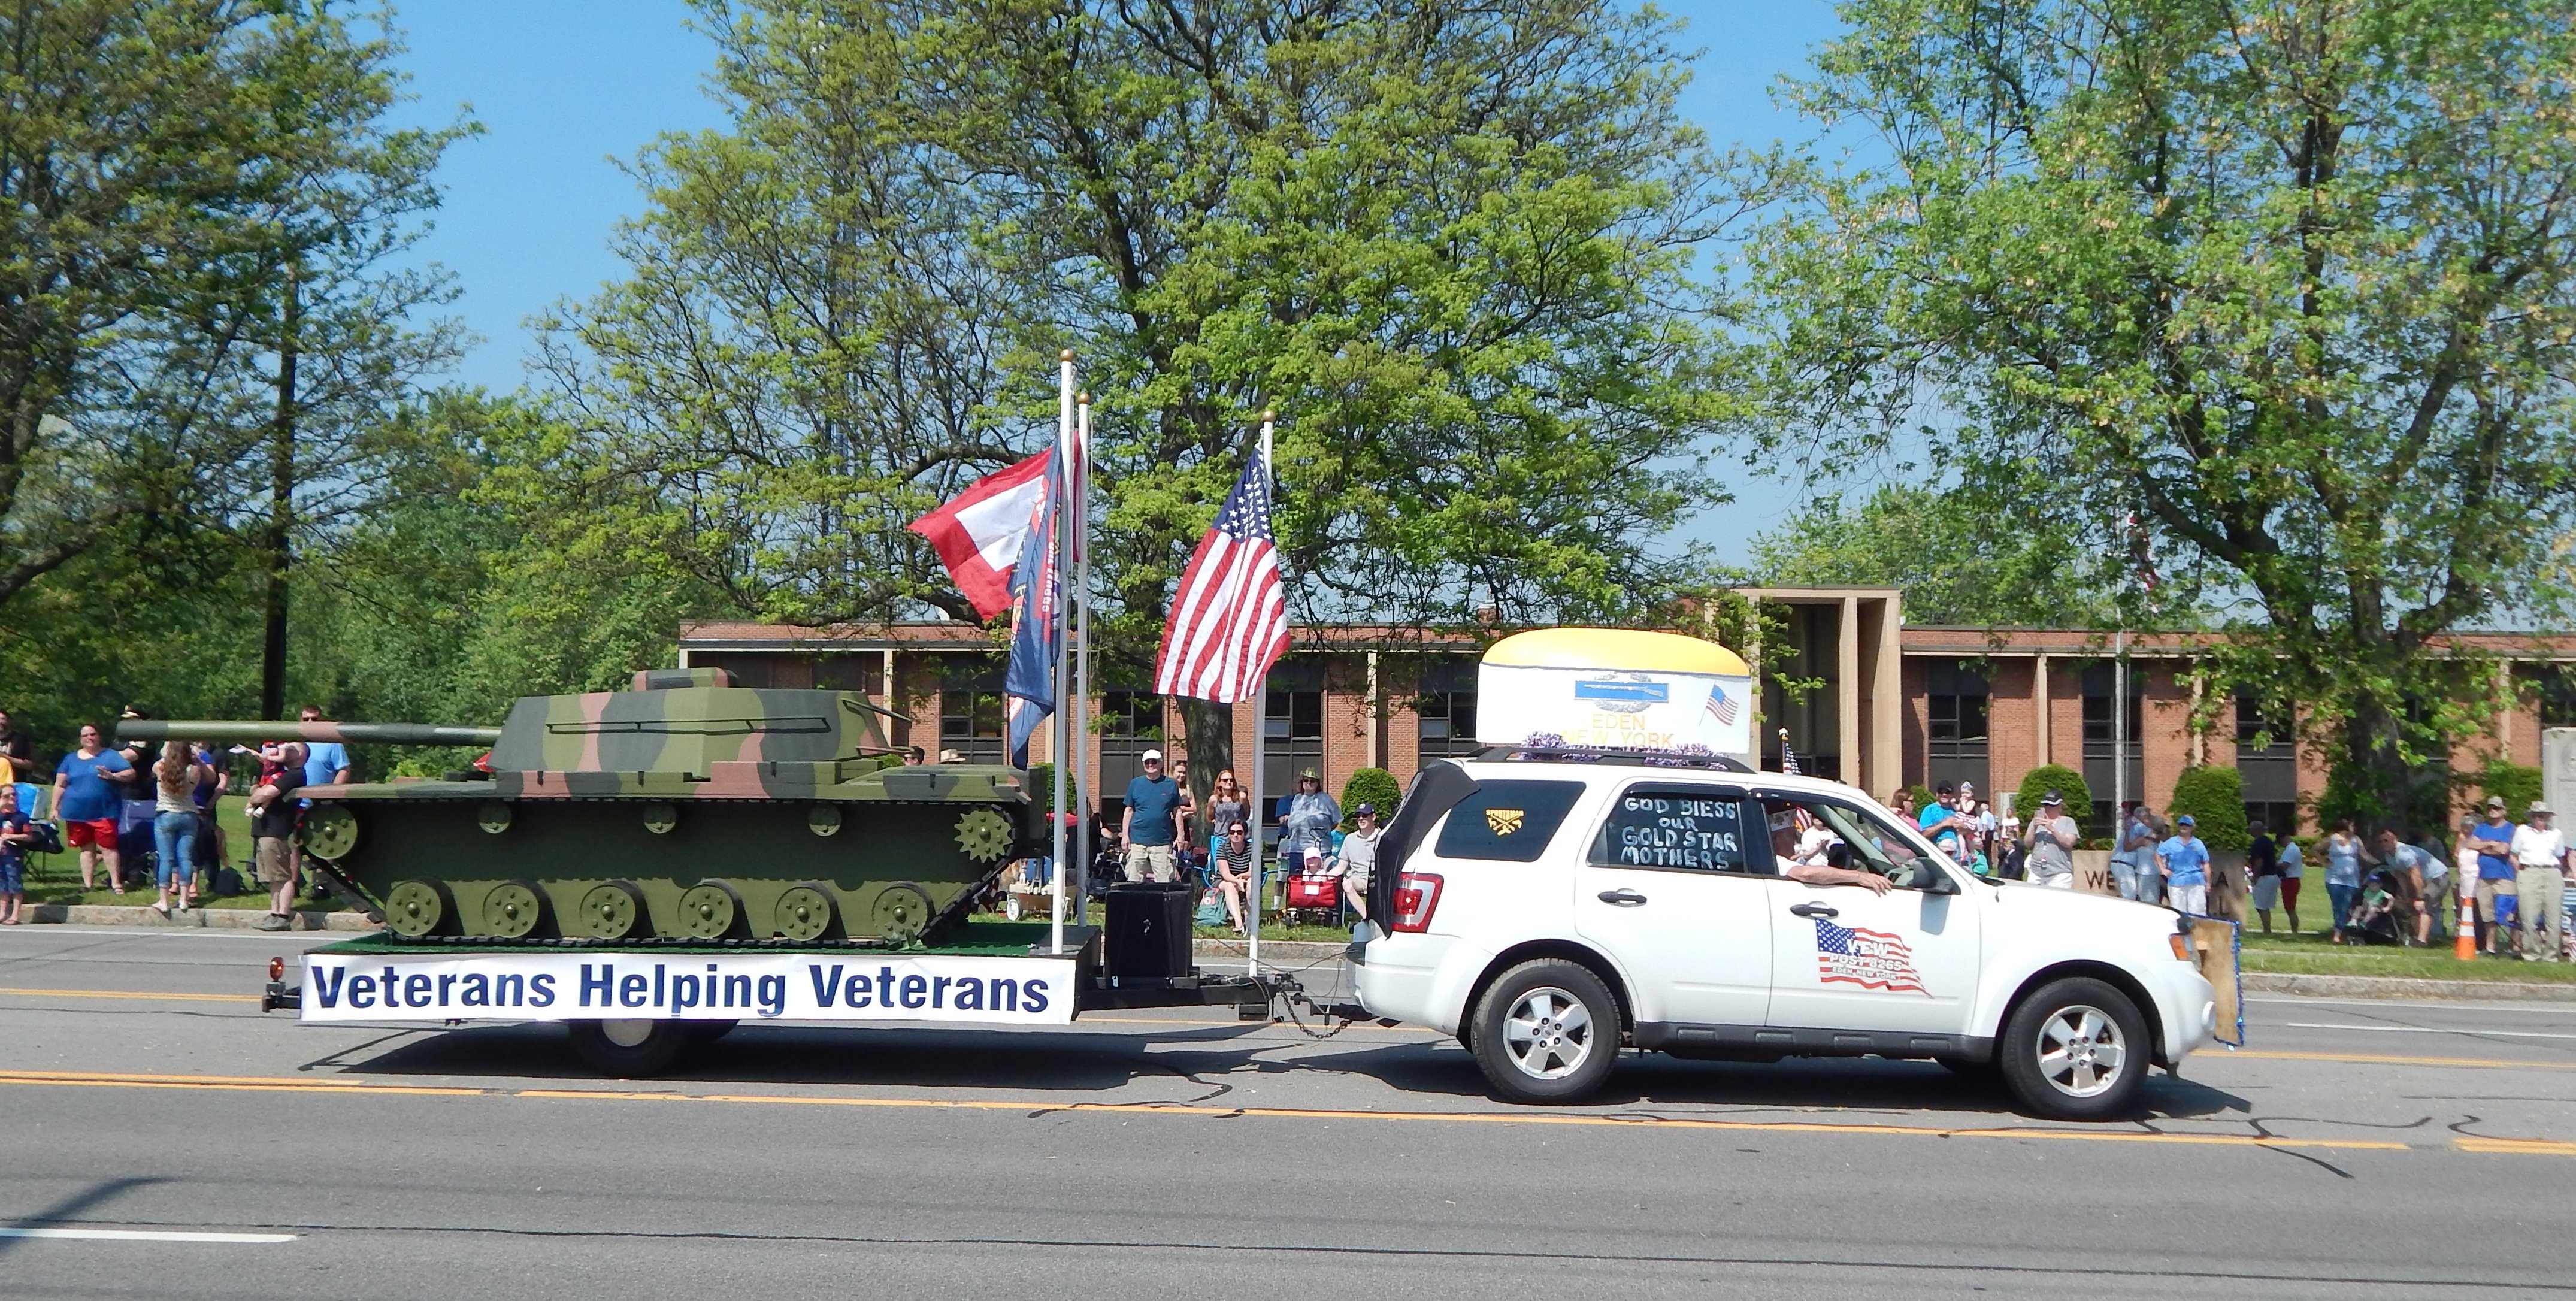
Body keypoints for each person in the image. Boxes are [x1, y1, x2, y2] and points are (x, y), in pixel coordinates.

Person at [52, 724, 135, 894]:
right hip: (77, 813)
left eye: (93, 734)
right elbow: (60, 785)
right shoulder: (70, 759)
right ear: (80, 739)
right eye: (86, 736)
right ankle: (88, 884)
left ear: (99, 736)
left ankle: (116, 884)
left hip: (105, 811)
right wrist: (54, 808)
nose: (90, 738)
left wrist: (113, 776)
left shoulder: (110, 755)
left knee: (108, 848)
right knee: (86, 849)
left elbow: (130, 773)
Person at [245, 743, 307, 931]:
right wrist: (257, 792)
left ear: (301, 754)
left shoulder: (294, 775)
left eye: (292, 748)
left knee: (283, 875)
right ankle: (274, 913)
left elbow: (265, 793)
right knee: (273, 877)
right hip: (265, 830)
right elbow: (258, 790)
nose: (285, 750)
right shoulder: (282, 773)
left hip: (276, 831)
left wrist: (256, 796)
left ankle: (283, 916)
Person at [148, 740, 211, 917]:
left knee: (166, 859)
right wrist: (196, 757)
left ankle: (164, 900)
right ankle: (184, 899)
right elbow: (207, 777)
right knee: (186, 858)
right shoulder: (194, 770)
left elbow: (160, 762)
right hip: (188, 815)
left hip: (165, 814)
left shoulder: (160, 767)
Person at [1765, 809, 1892, 894]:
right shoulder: (1775, 860)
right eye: (1792, 834)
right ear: (1776, 838)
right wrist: (1860, 876)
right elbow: (1805, 874)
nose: (1795, 839)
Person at [2511, 803, 2568, 962]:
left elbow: (2560, 856)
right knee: (2529, 917)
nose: (2539, 818)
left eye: (2542, 815)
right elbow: (2513, 855)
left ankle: (2551, 955)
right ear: (2531, 817)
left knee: (2554, 919)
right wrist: (2521, 872)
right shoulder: (2522, 831)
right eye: (2535, 815)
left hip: (2552, 872)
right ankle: (2531, 953)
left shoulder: (2556, 833)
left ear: (2548, 817)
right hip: (2529, 871)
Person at [1118, 748, 1182, 882]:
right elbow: (1128, 810)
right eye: (1147, 762)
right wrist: (1125, 835)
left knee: (1164, 881)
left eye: (1154, 762)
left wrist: (1181, 835)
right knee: (1134, 880)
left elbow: (1177, 812)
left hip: (1162, 842)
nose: (1151, 765)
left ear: (1161, 764)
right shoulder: (1135, 784)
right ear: (1143, 764)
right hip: (1137, 841)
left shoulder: (1171, 784)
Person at [2470, 798, 2518, 955]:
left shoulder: (2511, 829)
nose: (2493, 811)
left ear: (2504, 811)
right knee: (2487, 914)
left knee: (2510, 914)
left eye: (2496, 808)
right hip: (2484, 877)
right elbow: (2471, 845)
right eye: (2490, 808)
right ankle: (2490, 947)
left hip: (2505, 876)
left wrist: (2483, 847)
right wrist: (2491, 843)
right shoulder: (2482, 828)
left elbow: (2504, 850)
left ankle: (2515, 947)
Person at [2373, 827, 2429, 946]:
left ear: (2395, 840)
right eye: (2380, 842)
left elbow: (2416, 873)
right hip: (2418, 880)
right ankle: (2414, 937)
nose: (2383, 844)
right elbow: (2400, 875)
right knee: (2410, 908)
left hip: (2435, 878)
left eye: (2386, 840)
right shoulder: (2389, 856)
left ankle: (2422, 941)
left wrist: (2420, 897)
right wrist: (2407, 894)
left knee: (2424, 907)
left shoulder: (2403, 854)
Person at [1277, 769, 1342, 871]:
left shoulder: (1326, 799)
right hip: (1297, 848)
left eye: (1312, 781)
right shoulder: (1298, 799)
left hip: (1319, 849)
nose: (1309, 783)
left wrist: (1323, 831)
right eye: (1306, 780)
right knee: (1296, 878)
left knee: (1319, 877)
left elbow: (1336, 820)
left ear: (1317, 783)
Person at [1333, 803, 1381, 921]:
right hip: (1358, 880)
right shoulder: (1350, 839)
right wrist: (1322, 877)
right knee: (1347, 884)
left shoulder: (1383, 838)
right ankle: (1368, 918)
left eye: (1364, 816)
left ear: (1373, 817)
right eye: (1358, 816)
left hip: (1378, 880)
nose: (1361, 819)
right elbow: (1341, 867)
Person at [2021, 790, 2078, 888]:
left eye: (2052, 805)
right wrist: (2034, 827)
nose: (2048, 808)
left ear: (2060, 805)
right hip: (2036, 872)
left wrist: (2051, 828)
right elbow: (2027, 843)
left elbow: (2069, 842)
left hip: (2059, 874)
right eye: (2046, 805)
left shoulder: (2068, 821)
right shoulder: (2036, 822)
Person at [2158, 813, 2212, 916]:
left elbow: (2206, 863)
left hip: (2196, 882)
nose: (2184, 827)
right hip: (2176, 882)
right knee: (2178, 913)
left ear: (2192, 828)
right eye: (2181, 824)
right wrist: (2163, 869)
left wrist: (2208, 883)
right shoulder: (2171, 842)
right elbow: (2158, 855)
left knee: (2198, 912)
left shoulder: (2198, 843)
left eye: (2187, 825)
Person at [2323, 816, 2367, 943]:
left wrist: (2378, 863)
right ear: (2345, 826)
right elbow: (2315, 849)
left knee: (2347, 906)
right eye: (2352, 825)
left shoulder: (2356, 839)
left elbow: (2364, 854)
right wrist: (2324, 862)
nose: (2355, 828)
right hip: (2334, 879)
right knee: (2338, 906)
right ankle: (2338, 934)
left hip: (2352, 879)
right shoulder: (2332, 839)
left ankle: (2344, 932)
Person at [2412, 825, 2454, 945]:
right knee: (2426, 906)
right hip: (2423, 878)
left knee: (2430, 905)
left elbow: (2442, 859)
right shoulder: (2418, 843)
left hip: (2437, 876)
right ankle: (2423, 934)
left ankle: (2434, 933)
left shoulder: (2436, 843)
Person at [1213, 817, 1254, 931]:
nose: (1235, 835)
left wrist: (1242, 878)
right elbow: (1225, 873)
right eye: (1232, 832)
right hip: (1224, 881)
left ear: (1245, 834)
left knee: (1252, 882)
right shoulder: (1223, 848)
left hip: (1246, 878)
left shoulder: (1252, 849)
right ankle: (1239, 923)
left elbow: (1253, 871)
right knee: (1229, 885)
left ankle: (1249, 919)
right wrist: (1237, 881)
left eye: (1239, 832)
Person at [2114, 804, 2160, 904]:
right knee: (2130, 896)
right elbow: (2155, 837)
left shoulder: (2132, 826)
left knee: (2130, 894)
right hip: (2125, 863)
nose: (2152, 819)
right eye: (2149, 816)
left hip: (2119, 863)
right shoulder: (2140, 826)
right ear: (2144, 818)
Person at [0, 783, 31, 924]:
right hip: (2, 854)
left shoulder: (21, 817)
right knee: (2, 883)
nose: (11, 798)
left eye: (14, 795)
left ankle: (15, 914)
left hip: (14, 854)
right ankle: (3, 912)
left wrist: (12, 837)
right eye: (7, 796)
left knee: (14, 882)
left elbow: (29, 836)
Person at [2248, 825, 2281, 933]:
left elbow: (2259, 861)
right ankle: (2267, 929)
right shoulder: (2269, 842)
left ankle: (2267, 930)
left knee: (2261, 906)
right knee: (2265, 906)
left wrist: (2255, 876)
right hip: (2273, 876)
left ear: (2255, 830)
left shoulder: (2258, 843)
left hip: (2264, 877)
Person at [2275, 827, 2303, 933]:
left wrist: (2274, 864)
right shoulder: (2290, 849)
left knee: (2290, 907)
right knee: (2289, 907)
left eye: (2280, 842)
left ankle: (2294, 930)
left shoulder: (2291, 850)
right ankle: (2294, 930)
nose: (2281, 844)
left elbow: (2285, 866)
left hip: (2290, 880)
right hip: (2289, 880)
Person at [0, 707, 32, 783]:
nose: (0, 722)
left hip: (14, 783)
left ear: (9, 721)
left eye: (2, 719)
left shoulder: (20, 739)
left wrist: (5, 757)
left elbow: (29, 765)